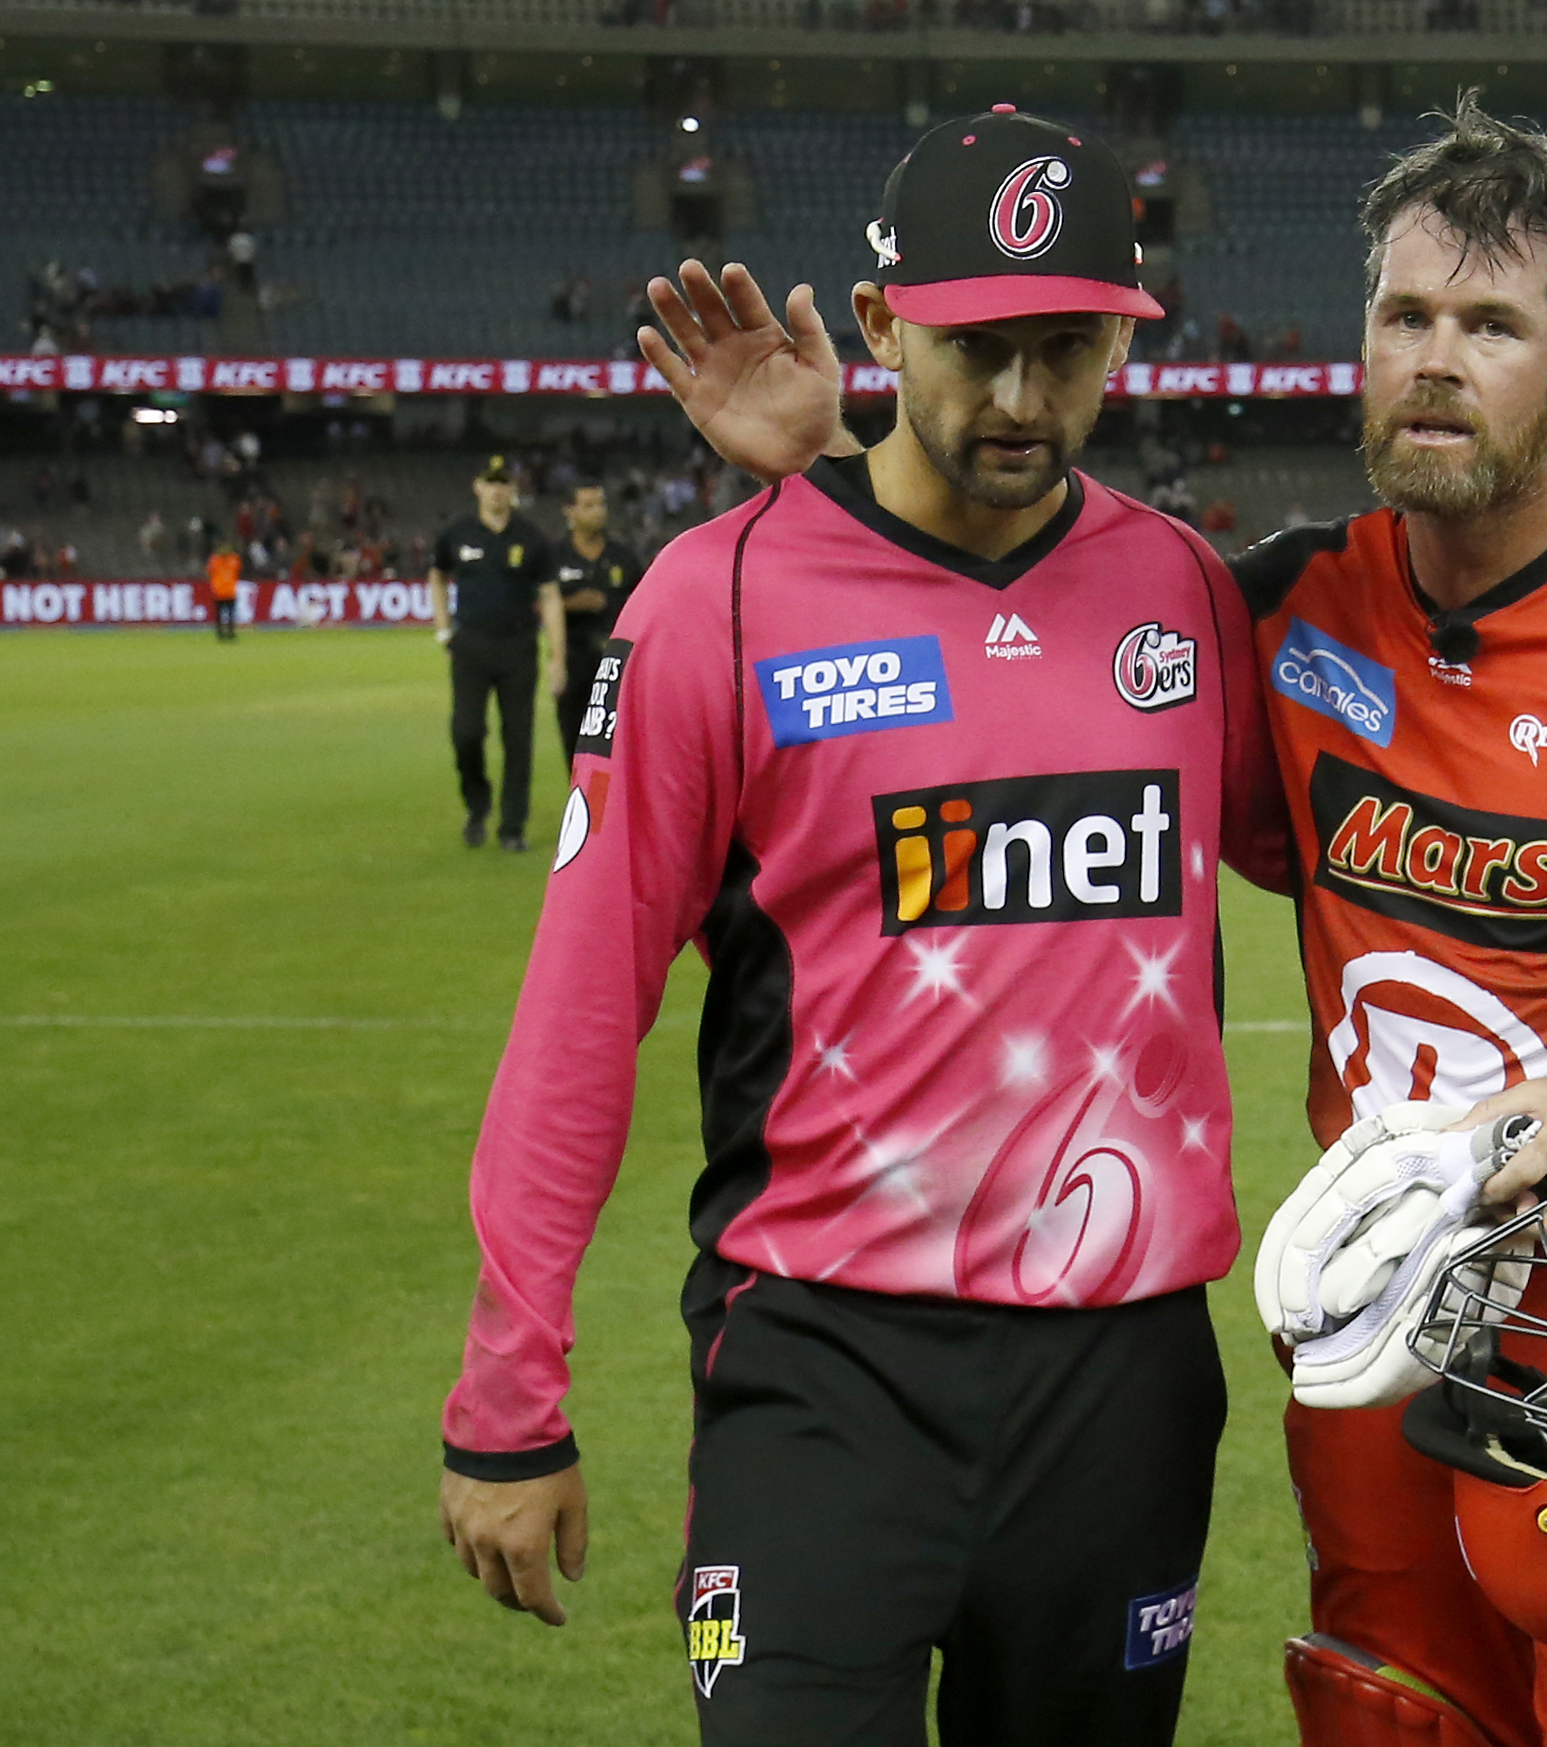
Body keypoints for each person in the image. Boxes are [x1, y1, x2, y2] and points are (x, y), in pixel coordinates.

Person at [676, 94, 1547, 1747]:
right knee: (1390, 1720)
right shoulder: (1273, 610)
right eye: (1405, 315)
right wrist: (835, 471)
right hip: (1378, 1336)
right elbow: (1018, 641)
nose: (1436, 358)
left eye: (1492, 324)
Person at [435, 106, 1284, 1747]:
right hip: (825, 1365)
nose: (1025, 401)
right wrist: (506, 1399)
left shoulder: (1183, 594)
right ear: (886, 325)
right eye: (977, 349)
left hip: (1123, 1384)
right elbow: (577, 1012)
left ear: (1122, 333)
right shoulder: (715, 600)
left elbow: (1349, 859)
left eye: (1069, 346)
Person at [427, 457, 563, 852]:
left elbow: (550, 596)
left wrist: (557, 654)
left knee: (518, 739)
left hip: (518, 647)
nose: (498, 490)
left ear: (512, 489)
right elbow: (437, 575)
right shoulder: (458, 534)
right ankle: (477, 803)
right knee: (466, 733)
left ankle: (512, 826)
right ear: (478, 487)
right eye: (491, 482)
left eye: (504, 483)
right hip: (470, 645)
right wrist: (442, 629)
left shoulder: (532, 538)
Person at [547, 482, 645, 766]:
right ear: (570, 511)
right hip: (574, 655)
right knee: (574, 736)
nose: (598, 512)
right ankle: (581, 801)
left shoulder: (622, 557)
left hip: (617, 658)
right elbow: (536, 603)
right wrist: (574, 603)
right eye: (588, 505)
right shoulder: (555, 556)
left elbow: (644, 602)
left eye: (600, 504)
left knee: (621, 738)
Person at [206, 541, 241, 642]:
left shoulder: (234, 559)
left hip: (230, 591)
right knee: (219, 615)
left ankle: (230, 632)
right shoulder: (215, 560)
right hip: (219, 592)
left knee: (231, 615)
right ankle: (220, 633)